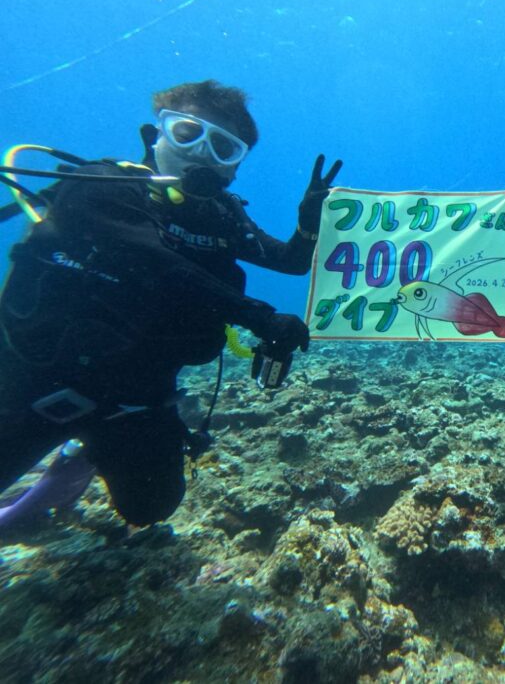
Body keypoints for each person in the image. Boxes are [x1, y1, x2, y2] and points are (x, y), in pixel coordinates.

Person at [0, 79, 341, 527]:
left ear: (235, 167)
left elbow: (290, 262)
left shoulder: (222, 215)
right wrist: (261, 318)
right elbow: (158, 264)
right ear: (154, 135)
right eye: (187, 133)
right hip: (33, 382)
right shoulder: (102, 187)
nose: (203, 153)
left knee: (151, 506)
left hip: (136, 396)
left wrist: (309, 222)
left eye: (224, 148)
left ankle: (77, 458)